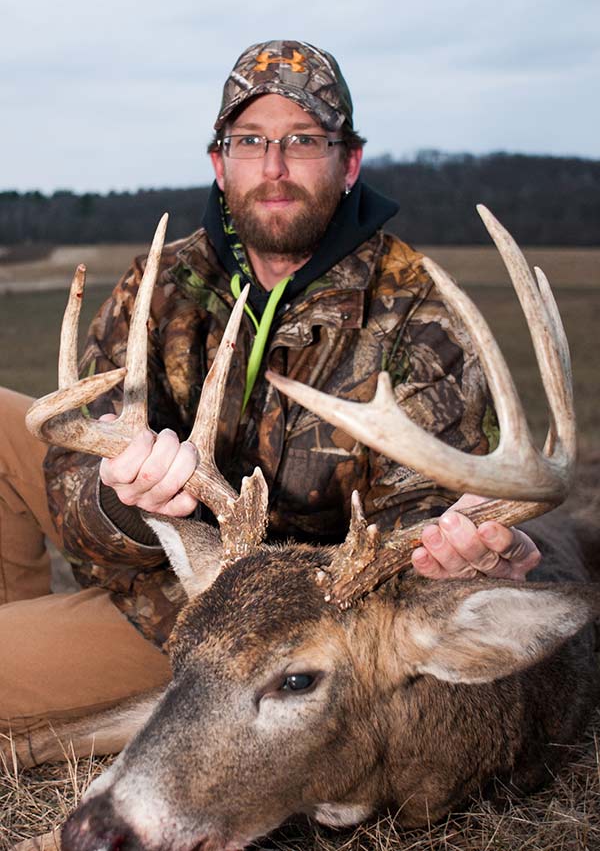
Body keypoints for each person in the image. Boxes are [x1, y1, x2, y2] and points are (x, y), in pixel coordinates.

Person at [0, 40, 541, 760]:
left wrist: (466, 550)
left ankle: (46, 664)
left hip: (240, 624)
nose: (274, 167)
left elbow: (426, 530)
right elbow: (75, 474)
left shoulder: (422, 315)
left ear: (348, 163)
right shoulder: (164, 279)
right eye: (250, 141)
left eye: (303, 141)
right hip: (151, 556)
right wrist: (124, 503)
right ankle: (29, 630)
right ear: (220, 162)